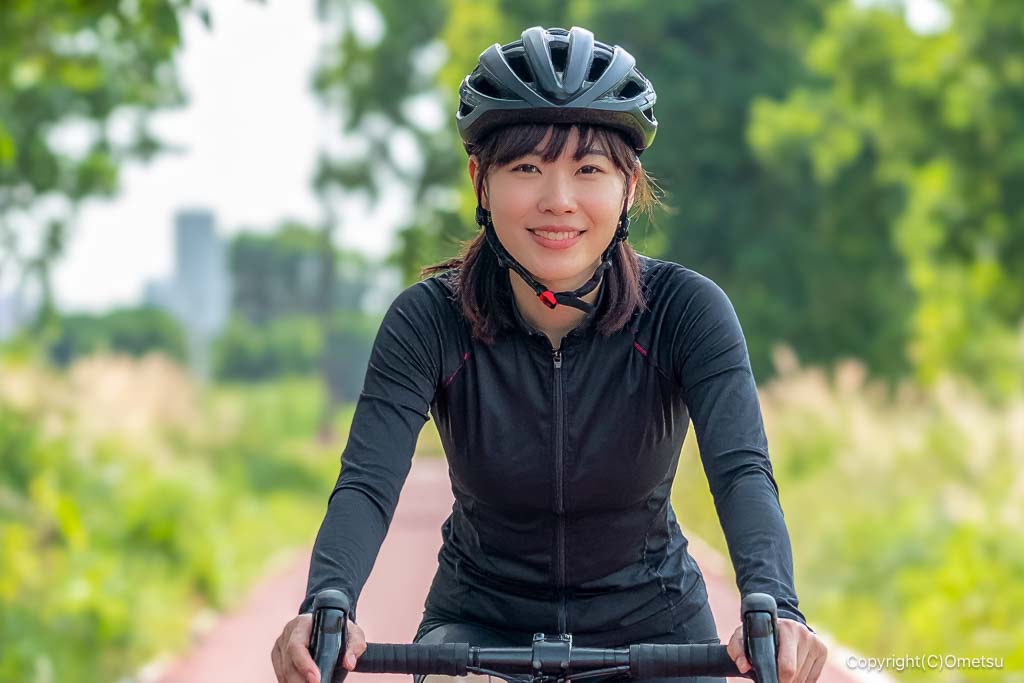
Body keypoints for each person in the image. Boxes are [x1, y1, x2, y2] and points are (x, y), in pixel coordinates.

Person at [272, 26, 828, 683]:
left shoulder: (687, 312)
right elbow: (367, 481)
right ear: (481, 182)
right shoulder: (429, 320)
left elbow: (742, 471)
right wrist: (327, 602)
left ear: (628, 185)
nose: (558, 200)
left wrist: (776, 605)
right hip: (477, 624)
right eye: (526, 168)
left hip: (656, 626)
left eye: (588, 169)